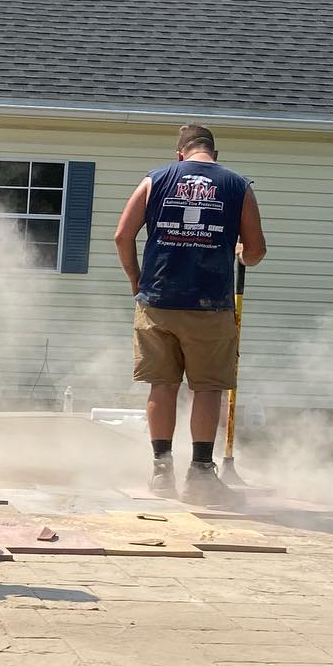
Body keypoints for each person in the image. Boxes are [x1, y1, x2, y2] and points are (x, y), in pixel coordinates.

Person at [114, 124, 267, 505]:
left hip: (157, 301)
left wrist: (137, 279)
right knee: (207, 387)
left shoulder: (155, 179)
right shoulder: (236, 185)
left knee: (161, 385)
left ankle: (161, 470)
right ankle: (200, 473)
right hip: (210, 305)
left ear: (180, 153)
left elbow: (122, 235)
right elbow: (256, 249)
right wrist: (242, 255)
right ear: (214, 153)